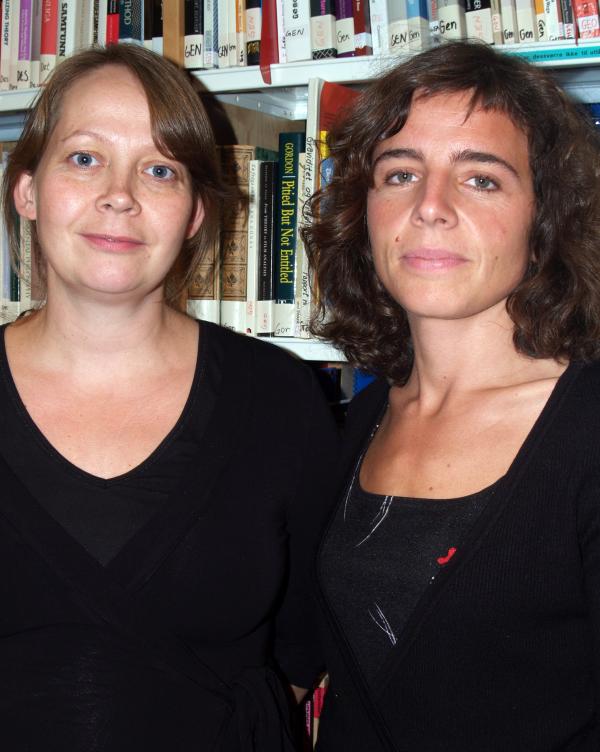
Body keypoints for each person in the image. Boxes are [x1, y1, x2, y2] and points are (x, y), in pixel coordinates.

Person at [0, 43, 338, 751]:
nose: (119, 194)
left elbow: (307, 637)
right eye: (84, 158)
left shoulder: (281, 399)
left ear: (193, 214)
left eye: (160, 170)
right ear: (26, 190)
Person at [303, 40, 600, 751]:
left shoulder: (589, 430)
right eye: (400, 174)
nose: (429, 207)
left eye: (481, 179)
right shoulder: (360, 417)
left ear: (545, 218)